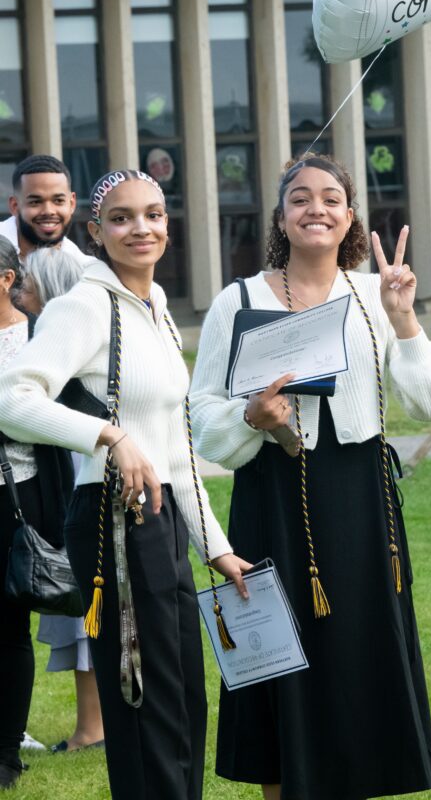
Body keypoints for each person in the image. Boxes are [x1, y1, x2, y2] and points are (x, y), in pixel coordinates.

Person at [190, 153, 431, 800]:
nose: (316, 209)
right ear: (280, 217)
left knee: (357, 659)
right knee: (280, 657)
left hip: (359, 503)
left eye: (331, 198)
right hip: (271, 497)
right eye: (300, 198)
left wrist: (405, 318)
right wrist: (249, 415)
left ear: (350, 216)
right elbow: (202, 416)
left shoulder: (371, 294)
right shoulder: (236, 299)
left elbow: (430, 402)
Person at [0, 169, 251, 800]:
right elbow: (11, 398)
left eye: (154, 214)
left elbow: (174, 445)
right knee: (147, 701)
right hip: (110, 518)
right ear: (96, 231)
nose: (140, 228)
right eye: (121, 217)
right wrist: (109, 437)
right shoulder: (83, 306)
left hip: (160, 518)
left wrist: (213, 546)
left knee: (185, 697)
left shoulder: (159, 310)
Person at [17, 248, 105, 754]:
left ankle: (92, 728)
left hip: (76, 484)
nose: (17, 294)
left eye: (24, 284)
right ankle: (91, 726)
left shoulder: (60, 345)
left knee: (79, 603)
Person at [0, 237, 45, 789]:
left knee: (9, 627)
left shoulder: (35, 338)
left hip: (18, 498)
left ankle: (7, 751)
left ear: (6, 279)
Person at [0, 155, 87, 262]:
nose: (48, 211)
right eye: (35, 202)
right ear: (14, 206)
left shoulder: (85, 268)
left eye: (58, 201)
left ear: (72, 204)